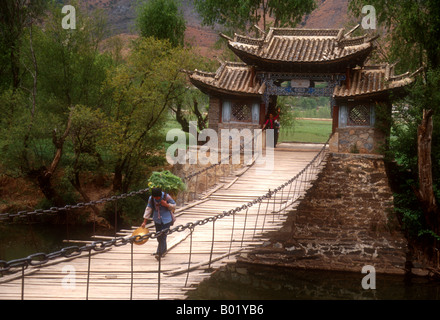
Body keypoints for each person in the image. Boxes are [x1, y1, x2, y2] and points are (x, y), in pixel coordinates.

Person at [141, 187, 176, 259]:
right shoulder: (151, 199)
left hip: (166, 220)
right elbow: (149, 209)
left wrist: (166, 205)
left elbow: (174, 205)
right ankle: (164, 250)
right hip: (157, 219)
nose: (157, 198)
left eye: (158, 197)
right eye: (155, 197)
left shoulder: (166, 197)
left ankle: (159, 253)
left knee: (163, 236)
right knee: (159, 236)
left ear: (160, 195)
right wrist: (144, 222)